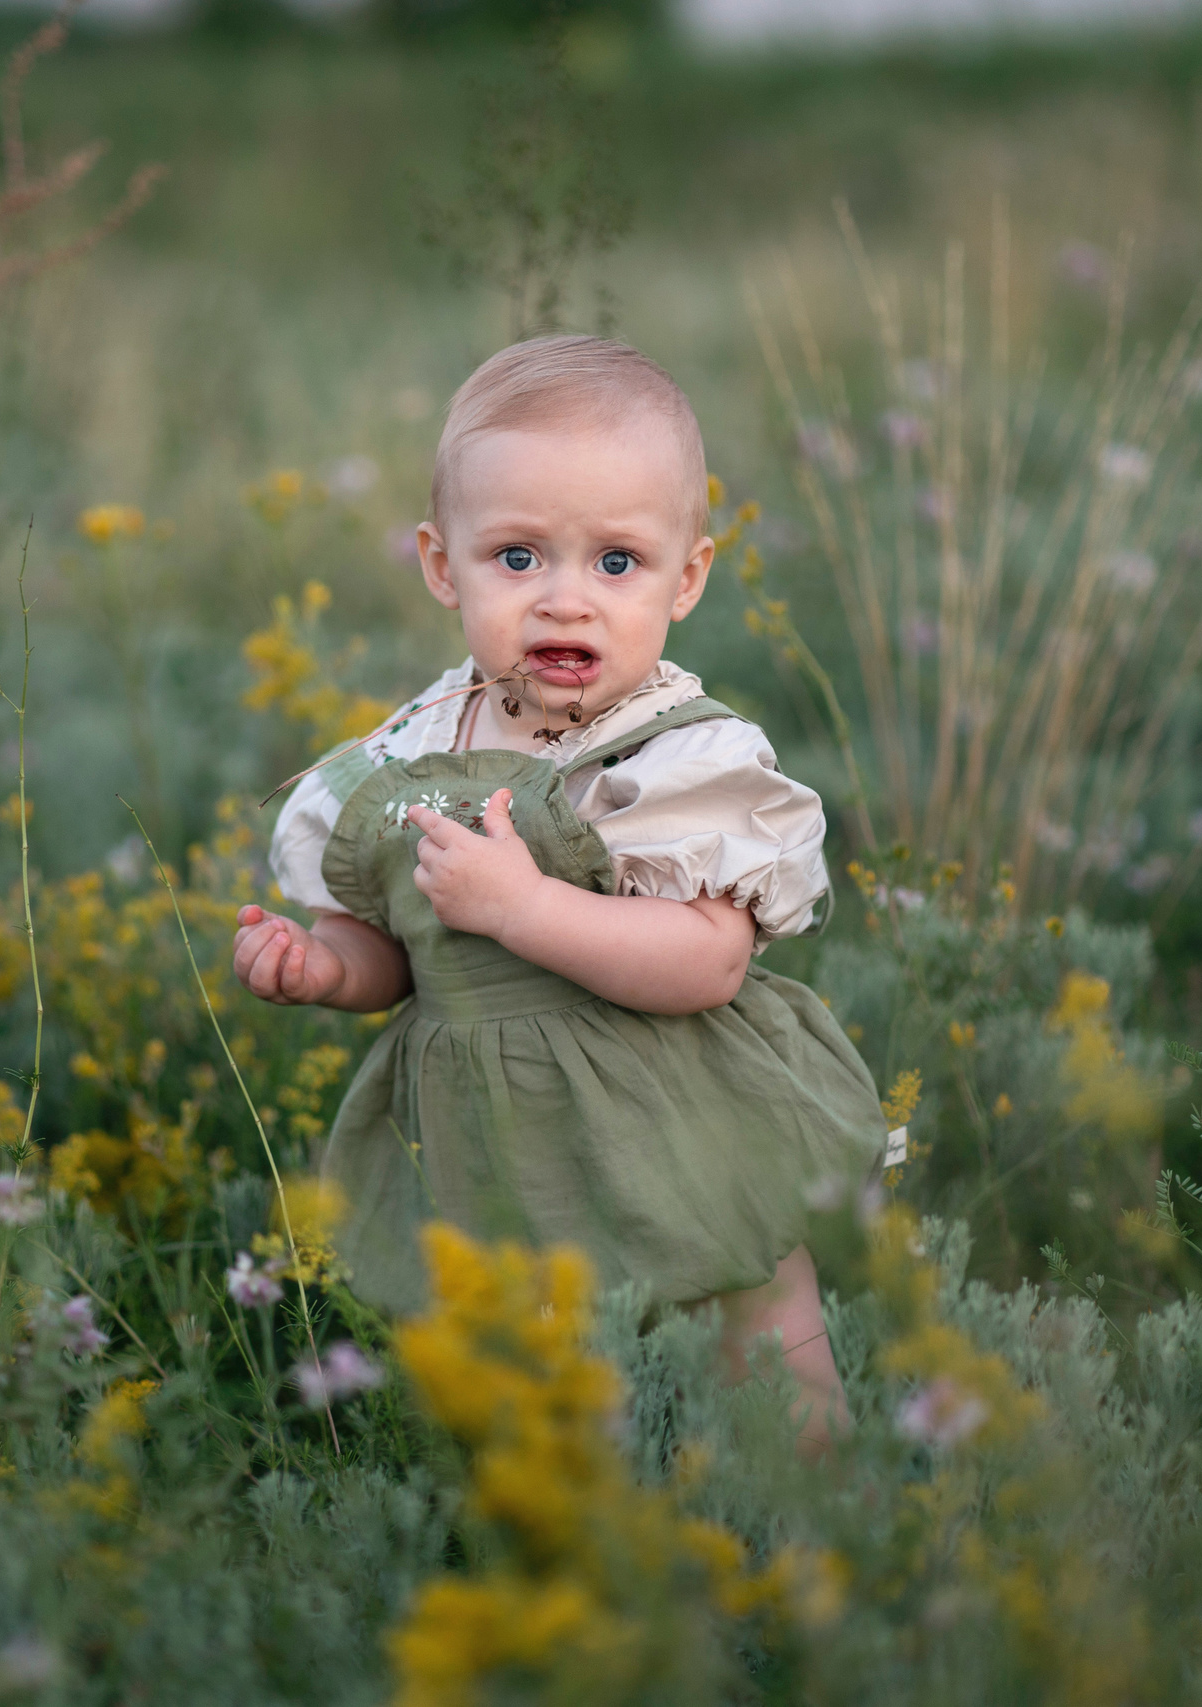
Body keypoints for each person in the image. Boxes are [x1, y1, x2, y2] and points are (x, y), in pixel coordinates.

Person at [233, 334, 881, 1453]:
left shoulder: (672, 759)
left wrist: (527, 908)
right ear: (444, 566)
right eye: (518, 558)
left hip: (675, 1110)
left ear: (687, 576)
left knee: (749, 1311)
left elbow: (708, 961)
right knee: (533, 1360)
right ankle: (581, 1535)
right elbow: (406, 947)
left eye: (616, 563)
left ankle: (813, 1507)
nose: (565, 601)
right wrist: (329, 966)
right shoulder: (411, 749)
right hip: (498, 1138)